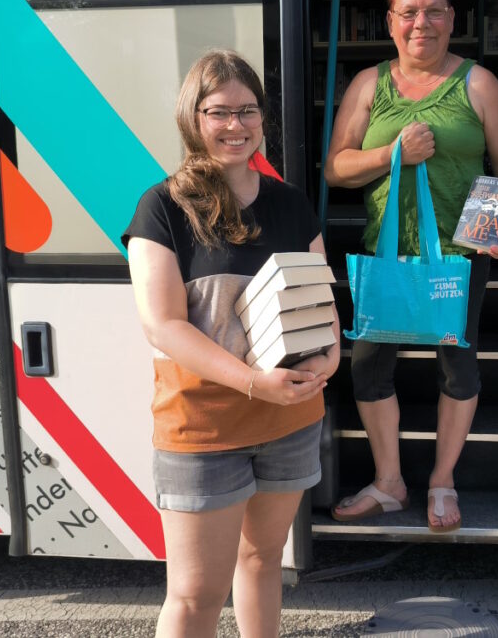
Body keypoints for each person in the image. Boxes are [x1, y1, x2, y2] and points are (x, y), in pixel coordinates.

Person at [123, 49, 340, 637]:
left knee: (263, 562)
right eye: (219, 111)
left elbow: (321, 302)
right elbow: (162, 325)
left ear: (262, 119)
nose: (235, 125)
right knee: (195, 596)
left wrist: (331, 354)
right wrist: (251, 381)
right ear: (193, 118)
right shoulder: (162, 207)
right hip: (203, 427)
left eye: (247, 111)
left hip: (289, 417)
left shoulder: (291, 204)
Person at [324, 0, 498, 532]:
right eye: (409, 12)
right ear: (390, 21)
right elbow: (336, 169)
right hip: (387, 253)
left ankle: (442, 482)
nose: (422, 23)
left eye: (434, 11)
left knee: (458, 369)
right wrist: (395, 154)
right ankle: (390, 483)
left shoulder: (479, 83)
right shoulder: (370, 84)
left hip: (461, 254)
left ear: (451, 18)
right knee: (368, 372)